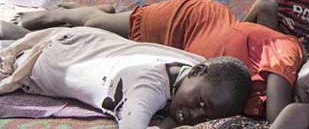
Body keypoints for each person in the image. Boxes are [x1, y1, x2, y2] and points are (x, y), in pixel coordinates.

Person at [11, 0, 303, 122]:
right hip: (192, 21)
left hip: (183, 57)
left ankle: (96, 17)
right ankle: (58, 15)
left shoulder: (240, 91)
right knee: (97, 23)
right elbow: (282, 120)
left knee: (108, 41)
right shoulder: (288, 56)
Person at [0, 23, 251, 129]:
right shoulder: (147, 88)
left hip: (84, 38)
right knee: (10, 53)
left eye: (205, 118)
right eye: (201, 104)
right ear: (197, 73)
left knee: (18, 39)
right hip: (46, 63)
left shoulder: (197, 64)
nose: (194, 117)